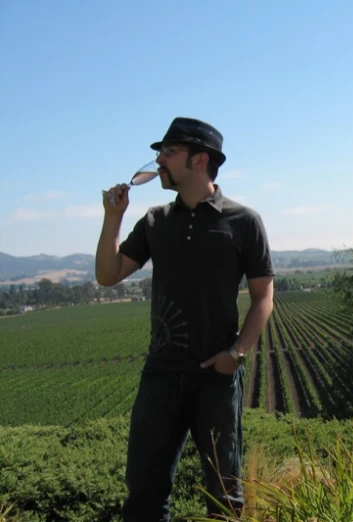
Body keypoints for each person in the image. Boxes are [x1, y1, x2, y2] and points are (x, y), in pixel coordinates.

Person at [95, 117, 275, 521]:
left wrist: (237, 352)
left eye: (168, 152)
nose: (159, 160)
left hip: (217, 376)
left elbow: (264, 296)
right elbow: (107, 276)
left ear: (200, 160)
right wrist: (113, 218)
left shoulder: (244, 221)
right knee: (143, 496)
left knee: (226, 498)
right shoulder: (156, 222)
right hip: (160, 375)